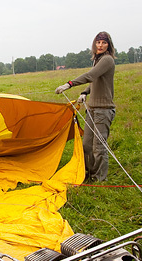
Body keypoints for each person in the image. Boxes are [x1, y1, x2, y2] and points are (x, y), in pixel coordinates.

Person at [55, 31, 116, 182]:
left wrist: (69, 84)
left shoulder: (107, 60)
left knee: (99, 147)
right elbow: (94, 81)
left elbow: (91, 75)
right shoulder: (98, 60)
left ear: (109, 45)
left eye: (104, 43)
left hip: (104, 109)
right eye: (98, 42)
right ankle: (87, 174)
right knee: (87, 145)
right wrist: (85, 92)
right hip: (92, 108)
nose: (100, 45)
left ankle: (99, 179)